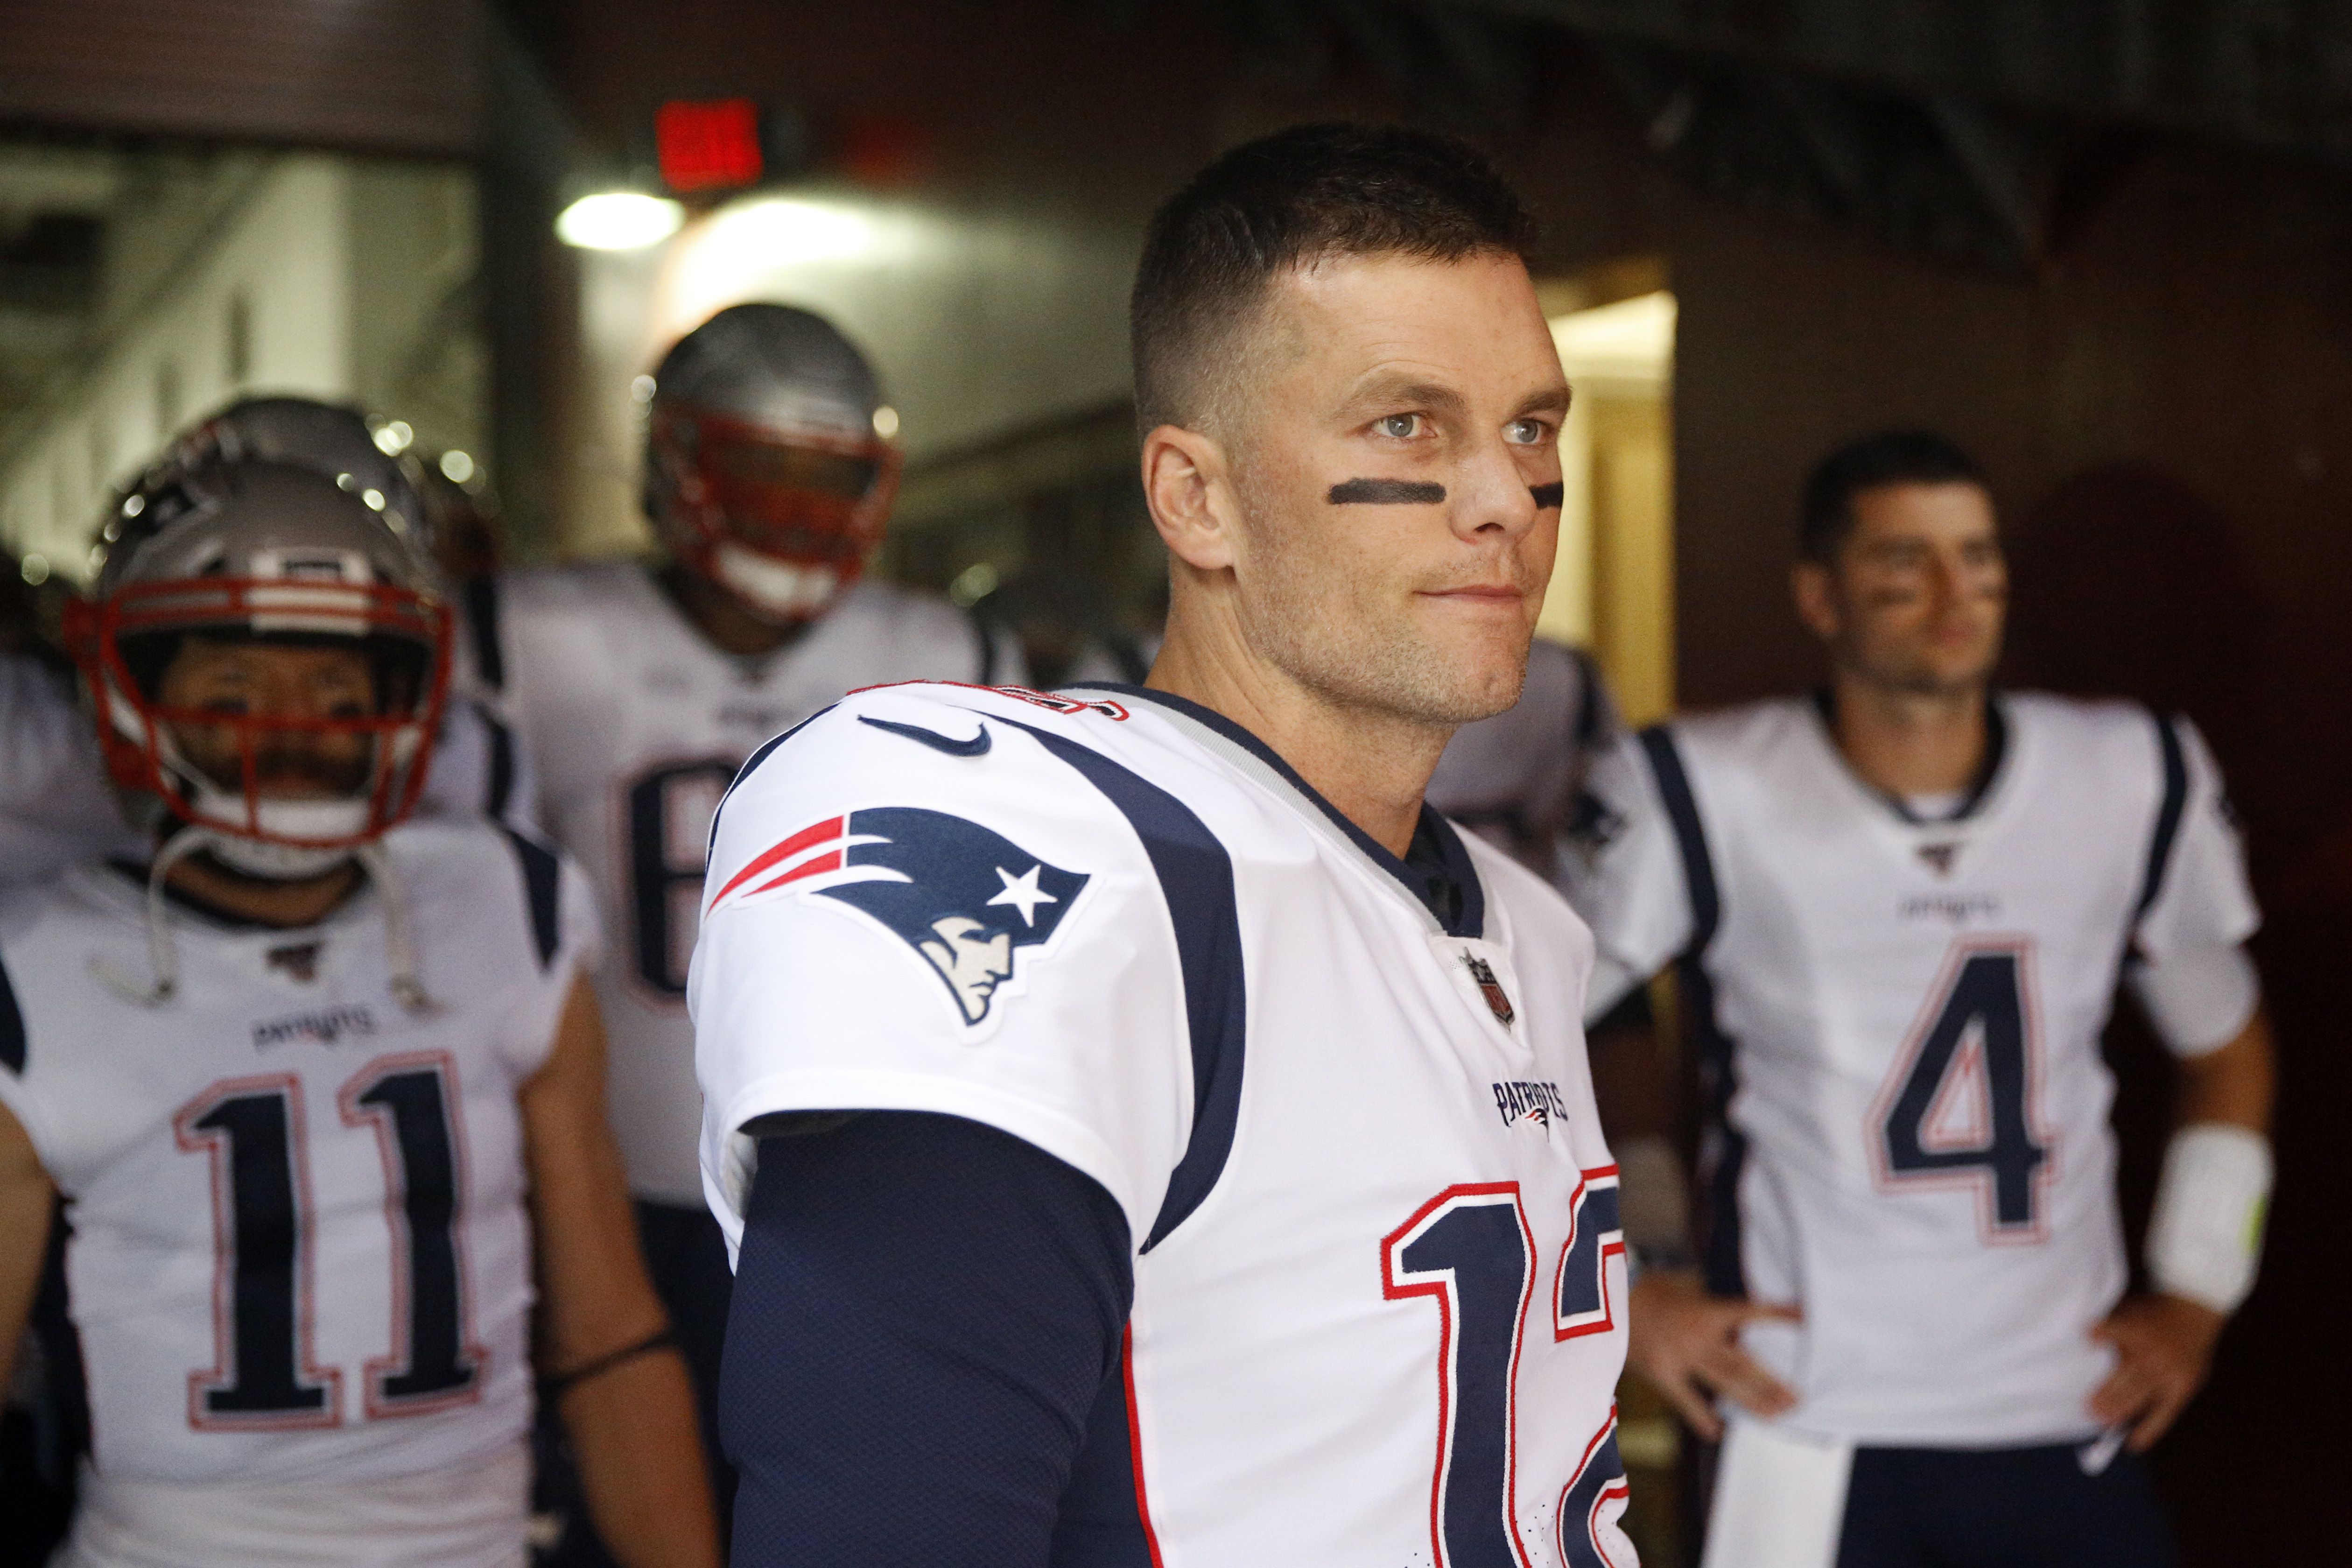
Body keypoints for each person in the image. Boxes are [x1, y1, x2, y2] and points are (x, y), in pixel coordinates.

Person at [693, 122, 1634, 1565]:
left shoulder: (1522, 925)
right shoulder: (1062, 843)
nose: (1504, 498)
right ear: (1196, 499)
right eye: (1407, 426)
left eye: (1529, 427)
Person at [1563, 429, 2276, 1568]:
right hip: (1809, 1413)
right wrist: (1636, 1275)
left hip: (2066, 1403)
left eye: (1978, 558)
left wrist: (2199, 1289)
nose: (1954, 596)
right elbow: (1554, 1031)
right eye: (1906, 563)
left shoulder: (2130, 773)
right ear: (1820, 594)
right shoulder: (1700, 784)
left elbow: (2228, 1050)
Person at [0, 460, 718, 1568]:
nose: (291, 736)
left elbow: (608, 1335)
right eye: (234, 692)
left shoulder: (503, 904)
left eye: (339, 697)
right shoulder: (38, 970)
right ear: (125, 682)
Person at [464, 300, 1024, 1548]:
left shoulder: (941, 644)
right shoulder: (533, 638)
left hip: (860, 1189)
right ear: (675, 465)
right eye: (758, 470)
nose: (794, 512)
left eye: (828, 481)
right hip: (616, 1191)